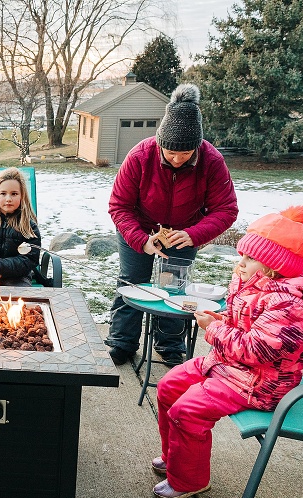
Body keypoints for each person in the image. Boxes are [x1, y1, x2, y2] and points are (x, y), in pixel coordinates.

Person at [151, 206, 303, 498]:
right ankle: (175, 456)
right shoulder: (253, 284)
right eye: (242, 255)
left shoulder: (289, 306)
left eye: (249, 258)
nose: (241, 263)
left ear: (273, 265)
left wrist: (213, 329)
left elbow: (256, 350)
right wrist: (222, 320)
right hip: (231, 365)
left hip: (262, 383)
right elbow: (245, 326)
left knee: (187, 411)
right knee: (168, 386)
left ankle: (188, 480)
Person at [106, 83, 239, 366]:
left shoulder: (212, 161)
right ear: (160, 142)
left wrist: (193, 235)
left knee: (175, 286)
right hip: (140, 227)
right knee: (132, 281)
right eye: (170, 153)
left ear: (197, 147)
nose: (177, 159)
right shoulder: (140, 156)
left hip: (184, 232)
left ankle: (169, 344)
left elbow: (226, 209)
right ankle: (121, 342)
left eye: (186, 154)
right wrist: (141, 240)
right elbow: (119, 206)